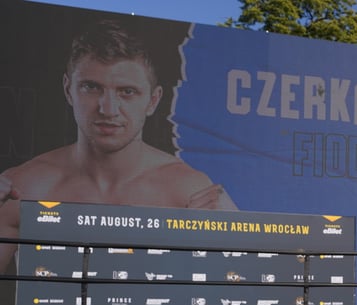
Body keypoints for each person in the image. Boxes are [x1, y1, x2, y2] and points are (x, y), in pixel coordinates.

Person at [0, 19, 237, 271]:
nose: (108, 109)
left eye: (127, 92)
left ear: (153, 100)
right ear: (68, 90)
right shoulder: (24, 187)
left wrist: (238, 233)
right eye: (91, 87)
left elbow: (240, 284)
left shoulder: (189, 190)